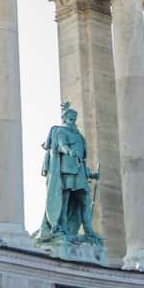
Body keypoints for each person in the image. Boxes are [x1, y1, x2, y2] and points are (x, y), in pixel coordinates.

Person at [36, 101, 100, 243]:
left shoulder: (79, 135)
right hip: (66, 172)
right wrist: (70, 151)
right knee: (64, 201)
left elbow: (81, 160)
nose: (73, 118)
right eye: (70, 116)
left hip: (80, 173)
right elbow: (61, 146)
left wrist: (92, 174)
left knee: (85, 202)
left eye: (74, 116)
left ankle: (89, 231)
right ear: (65, 118)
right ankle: (62, 229)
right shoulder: (61, 131)